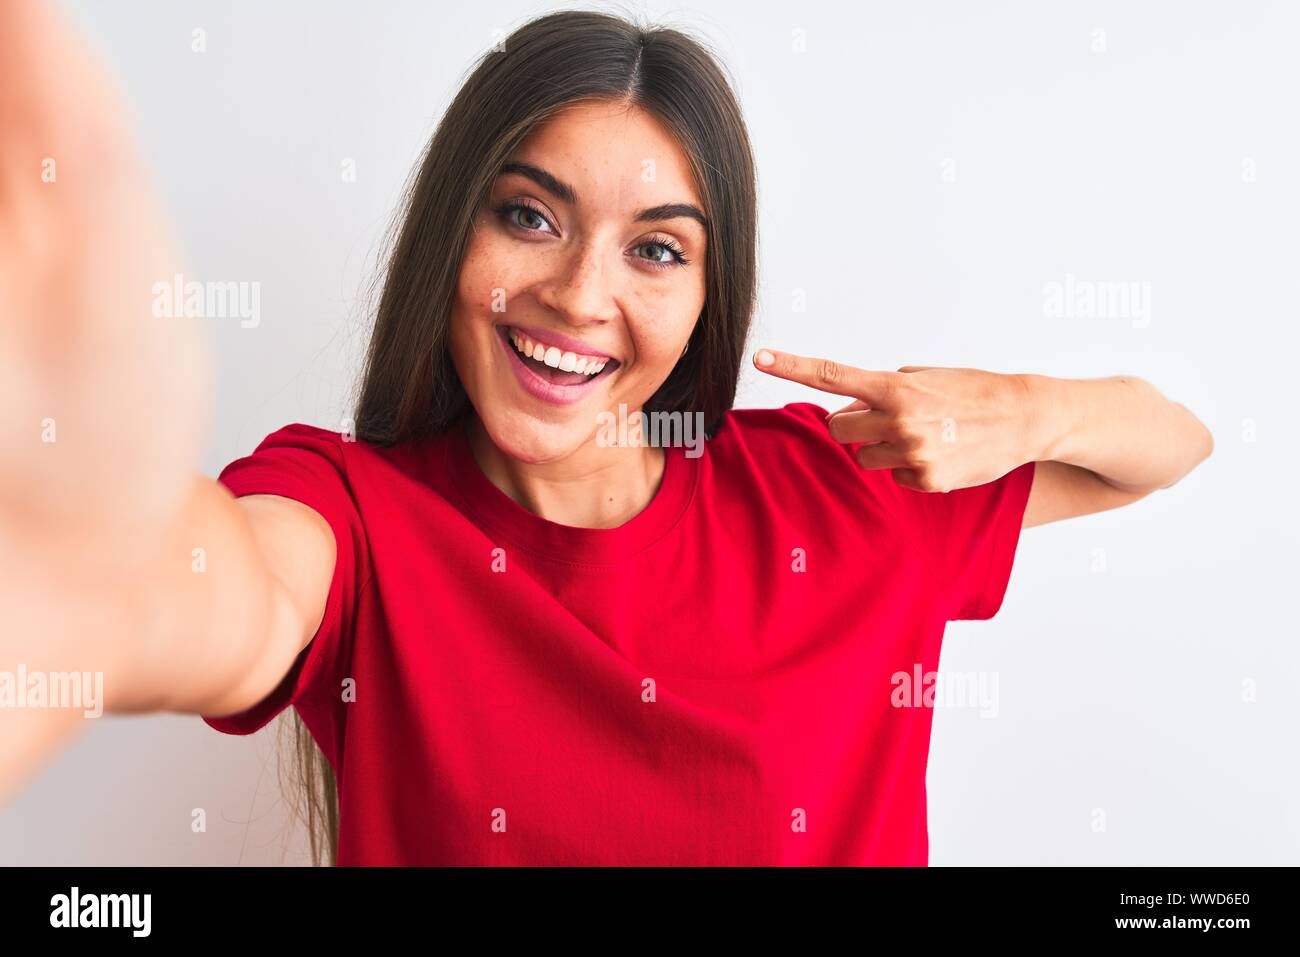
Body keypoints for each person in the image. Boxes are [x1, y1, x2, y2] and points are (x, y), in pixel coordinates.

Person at [0, 4, 1213, 865]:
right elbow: (209, 599)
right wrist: (77, 574)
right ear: (451, 237)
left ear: (706, 294)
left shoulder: (841, 490)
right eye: (530, 216)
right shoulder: (359, 525)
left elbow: (1170, 446)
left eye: (656, 249)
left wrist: (1026, 405)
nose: (581, 296)